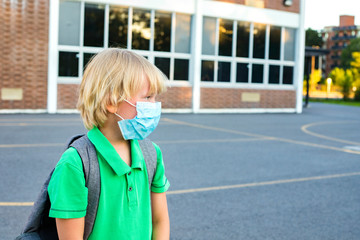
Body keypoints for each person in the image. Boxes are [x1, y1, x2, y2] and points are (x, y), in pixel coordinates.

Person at [47, 48, 170, 239]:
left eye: (155, 98)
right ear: (111, 101)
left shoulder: (152, 154)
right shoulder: (75, 163)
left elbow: (159, 222)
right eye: (147, 97)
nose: (154, 105)